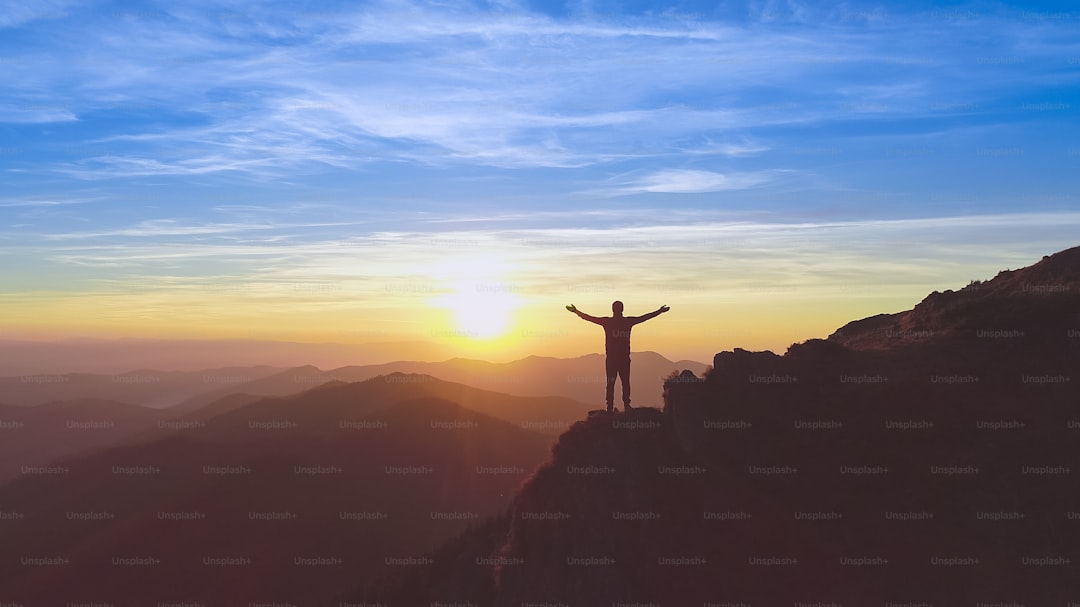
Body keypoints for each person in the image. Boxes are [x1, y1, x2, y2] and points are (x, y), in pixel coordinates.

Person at [567, 301, 670, 412]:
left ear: (612, 309)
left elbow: (589, 318)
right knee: (625, 383)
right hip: (624, 359)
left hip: (611, 359)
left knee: (611, 384)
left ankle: (610, 408)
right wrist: (660, 311)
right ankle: (626, 406)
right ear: (622, 309)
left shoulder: (607, 322)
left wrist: (576, 311)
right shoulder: (628, 322)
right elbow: (645, 317)